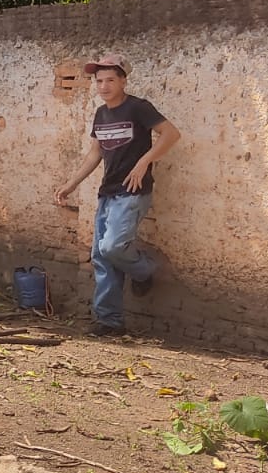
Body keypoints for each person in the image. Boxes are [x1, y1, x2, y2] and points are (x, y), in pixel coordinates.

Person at [55, 54, 182, 336]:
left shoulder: (138, 108)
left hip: (133, 191)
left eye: (110, 79)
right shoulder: (101, 114)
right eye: (99, 81)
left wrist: (144, 161)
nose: (104, 86)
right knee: (101, 256)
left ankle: (145, 269)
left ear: (123, 80)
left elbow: (171, 134)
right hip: (108, 192)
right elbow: (95, 153)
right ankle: (109, 322)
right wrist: (71, 184)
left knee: (112, 247)